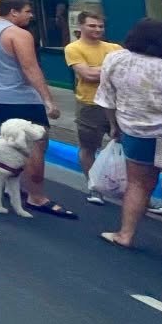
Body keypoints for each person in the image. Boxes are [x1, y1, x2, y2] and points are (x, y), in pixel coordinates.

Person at [0, 0, 72, 218]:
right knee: (35, 146)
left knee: (8, 145)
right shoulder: (19, 34)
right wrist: (48, 100)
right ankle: (36, 196)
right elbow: (30, 68)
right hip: (22, 98)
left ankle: (10, 187)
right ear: (13, 12)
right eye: (27, 11)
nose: (31, 15)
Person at [95, 19, 162, 262]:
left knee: (138, 184)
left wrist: (114, 125)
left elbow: (106, 99)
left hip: (134, 132)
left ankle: (125, 234)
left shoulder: (115, 59)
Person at [64, 11, 121, 203]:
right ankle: (94, 187)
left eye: (100, 26)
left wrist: (97, 69)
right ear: (80, 27)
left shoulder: (114, 47)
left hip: (117, 105)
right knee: (89, 147)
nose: (97, 29)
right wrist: (110, 68)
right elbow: (87, 75)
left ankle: (129, 190)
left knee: (127, 149)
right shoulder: (73, 48)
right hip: (90, 105)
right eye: (92, 25)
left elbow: (125, 71)